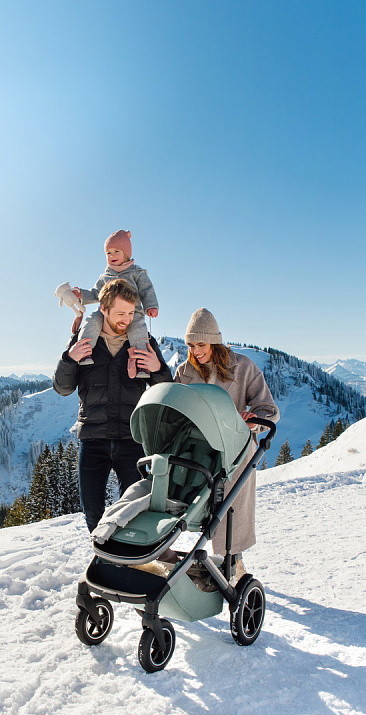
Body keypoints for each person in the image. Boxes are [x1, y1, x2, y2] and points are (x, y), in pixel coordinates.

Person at [53, 278, 172, 532]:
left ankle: (130, 555)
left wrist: (158, 369)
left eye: (131, 313)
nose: (126, 319)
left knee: (134, 510)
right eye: (120, 313)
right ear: (104, 309)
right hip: (93, 440)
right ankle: (102, 554)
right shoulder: (85, 340)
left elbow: (166, 392)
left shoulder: (143, 342)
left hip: (132, 439)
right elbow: (62, 388)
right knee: (92, 510)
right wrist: (69, 359)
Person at [174, 308, 279, 577]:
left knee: (230, 506)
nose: (195, 351)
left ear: (214, 342)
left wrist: (253, 420)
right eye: (190, 345)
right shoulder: (184, 372)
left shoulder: (243, 367)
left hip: (234, 447)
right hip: (198, 446)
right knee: (185, 497)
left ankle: (234, 560)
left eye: (201, 344)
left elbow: (268, 409)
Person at [71, 229, 159, 378]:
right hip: (107, 312)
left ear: (126, 254)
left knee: (139, 332)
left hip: (133, 313)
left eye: (116, 251)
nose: (112, 256)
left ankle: (142, 365)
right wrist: (81, 294)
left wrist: (151, 306)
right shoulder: (105, 276)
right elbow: (96, 293)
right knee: (92, 321)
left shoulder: (137, 273)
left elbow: (146, 290)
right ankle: (85, 351)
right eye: (108, 253)